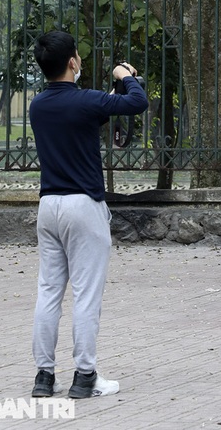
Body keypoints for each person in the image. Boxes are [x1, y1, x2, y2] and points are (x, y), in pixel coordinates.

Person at [28, 29, 149, 401]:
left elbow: (84, 119)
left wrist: (109, 97)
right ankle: (85, 377)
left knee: (48, 292)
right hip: (84, 207)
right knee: (85, 295)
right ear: (72, 62)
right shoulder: (84, 102)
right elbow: (138, 102)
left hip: (49, 207)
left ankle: (44, 378)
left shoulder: (38, 106)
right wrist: (124, 75)